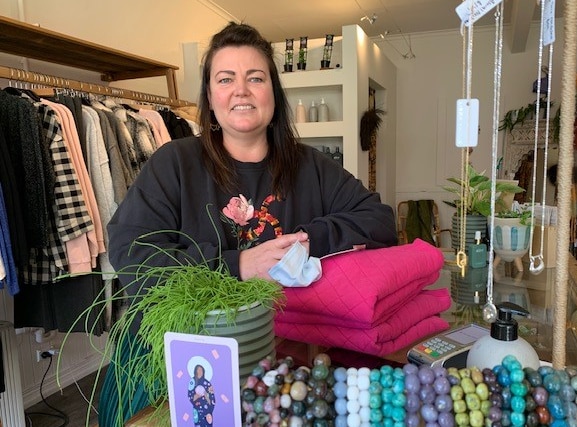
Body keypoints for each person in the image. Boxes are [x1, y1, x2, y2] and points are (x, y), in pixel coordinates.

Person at [99, 22, 396, 425]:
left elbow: (379, 221)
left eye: (255, 77)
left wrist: (309, 241)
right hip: (172, 368)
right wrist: (238, 265)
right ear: (210, 96)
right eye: (226, 79)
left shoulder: (311, 166)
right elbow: (132, 254)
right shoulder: (175, 163)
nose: (241, 89)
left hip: (273, 366)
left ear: (273, 92)